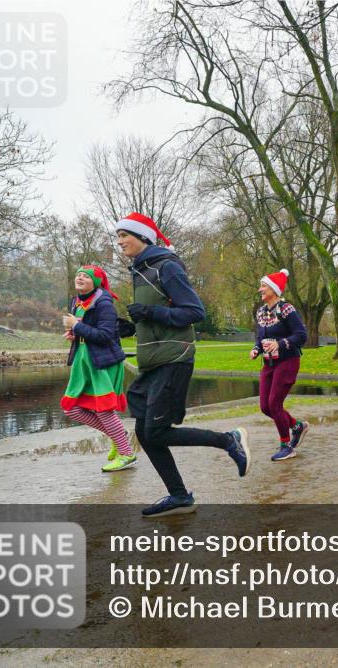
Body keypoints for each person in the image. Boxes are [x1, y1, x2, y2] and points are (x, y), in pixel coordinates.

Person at [115, 212, 249, 517]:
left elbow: (193, 311)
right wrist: (130, 326)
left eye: (125, 235)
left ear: (144, 237)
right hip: (153, 361)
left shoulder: (166, 267)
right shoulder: (140, 271)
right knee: (145, 433)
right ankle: (178, 496)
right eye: (118, 236)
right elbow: (157, 315)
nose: (120, 241)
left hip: (173, 359)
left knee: (157, 432)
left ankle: (229, 440)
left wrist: (149, 313)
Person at [60, 265, 136, 472]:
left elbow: (105, 335)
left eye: (86, 276)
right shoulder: (76, 301)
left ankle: (127, 454)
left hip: (103, 363)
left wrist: (76, 326)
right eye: (78, 275)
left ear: (97, 282)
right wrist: (75, 335)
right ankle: (118, 438)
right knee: (72, 408)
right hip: (83, 362)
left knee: (103, 410)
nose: (80, 278)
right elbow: (87, 331)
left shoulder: (104, 303)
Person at [250, 268, 309, 462]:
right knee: (265, 406)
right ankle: (297, 426)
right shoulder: (260, 312)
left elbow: (301, 335)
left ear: (274, 289)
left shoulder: (286, 309)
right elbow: (261, 336)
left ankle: (286, 445)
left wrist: (280, 343)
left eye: (264, 286)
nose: (260, 289)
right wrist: (257, 349)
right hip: (269, 363)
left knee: (275, 403)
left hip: (288, 361)